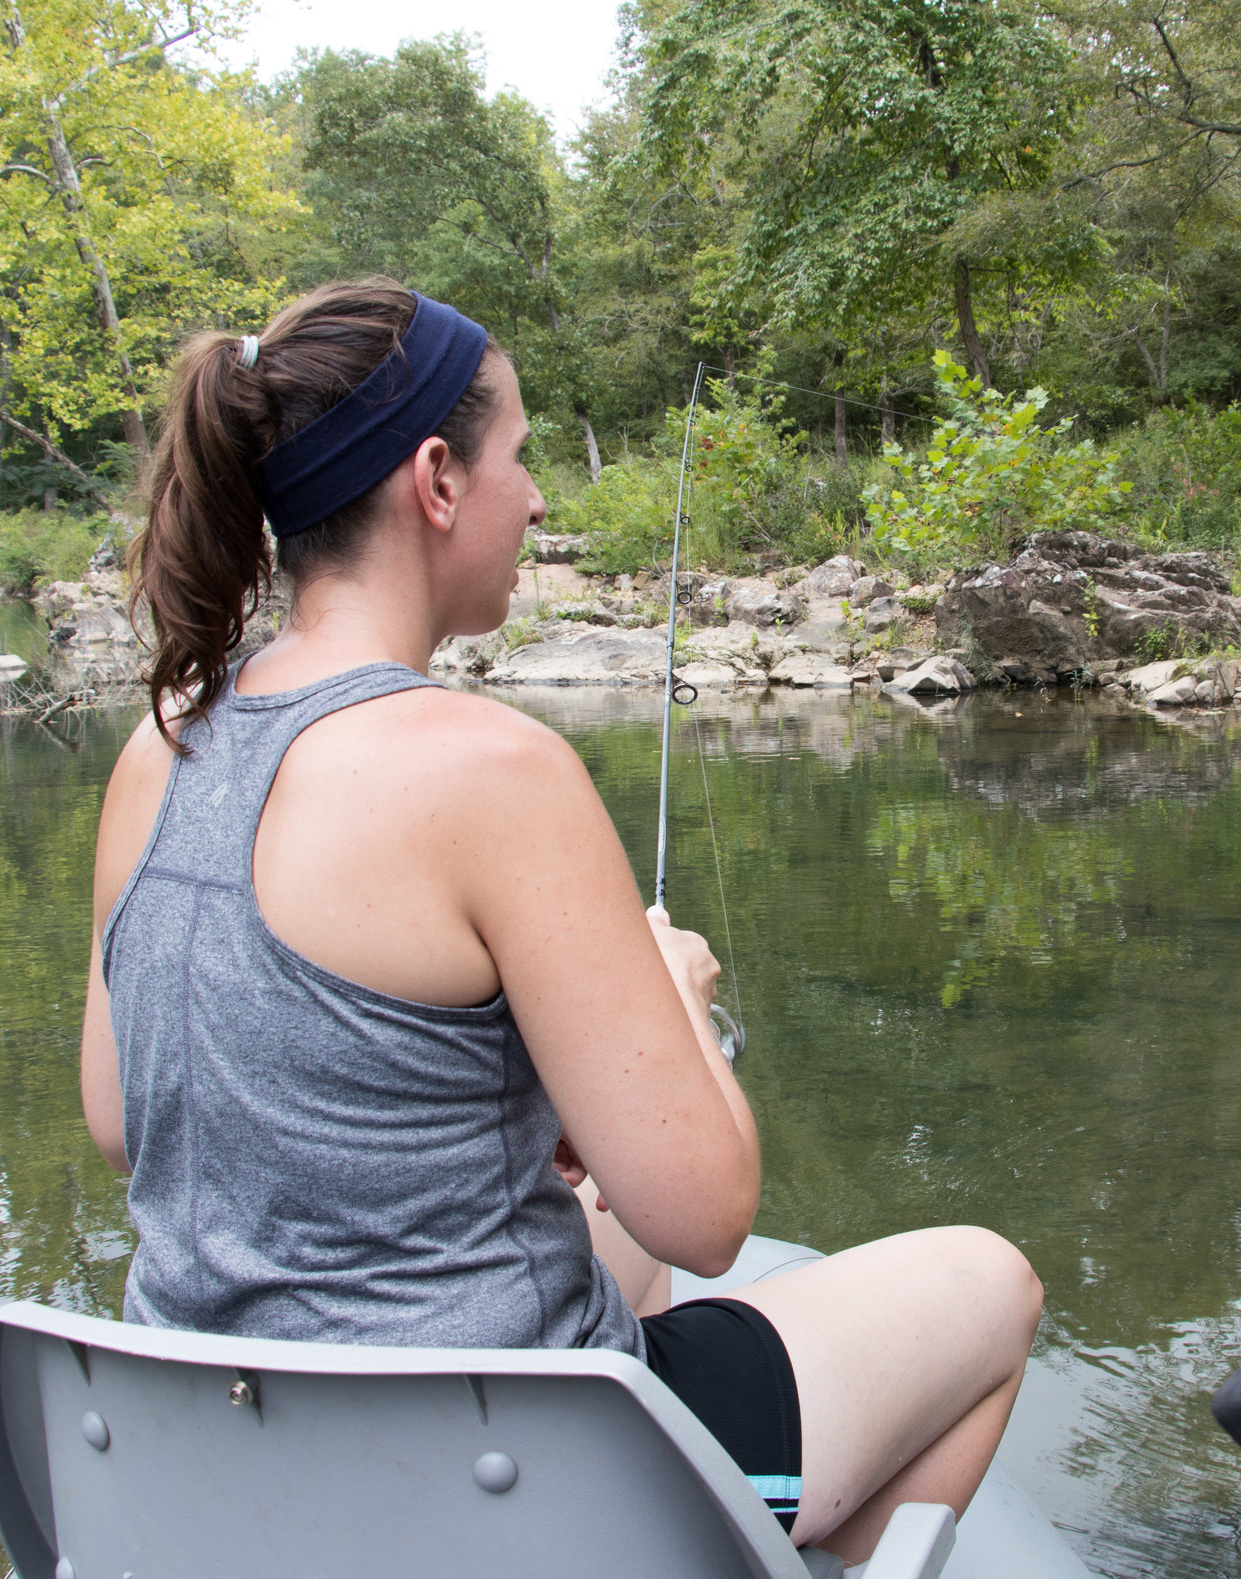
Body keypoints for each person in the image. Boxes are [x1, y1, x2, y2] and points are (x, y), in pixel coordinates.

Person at [76, 277, 1042, 1561]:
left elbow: (119, 1113)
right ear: (435, 478)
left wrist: (502, 1104)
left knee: (597, 1237)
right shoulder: (491, 770)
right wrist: (669, 995)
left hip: (210, 1469)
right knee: (988, 1284)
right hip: (491, 1492)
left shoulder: (162, 742)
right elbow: (704, 1220)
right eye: (519, 457)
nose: (536, 500)